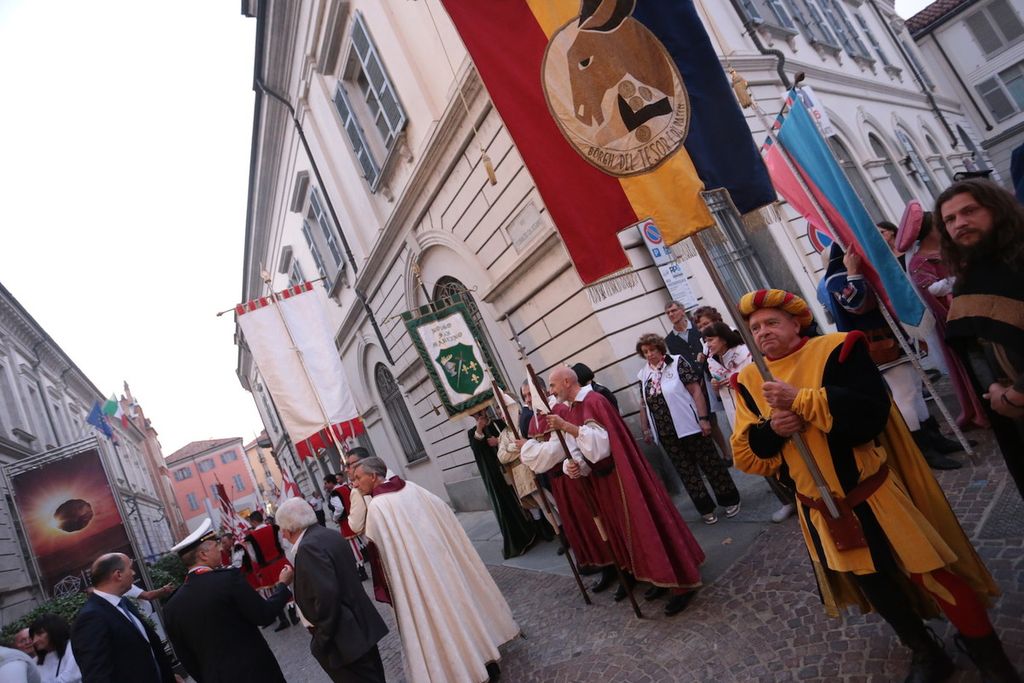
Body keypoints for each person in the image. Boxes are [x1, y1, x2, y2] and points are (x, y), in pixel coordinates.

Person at [731, 288, 1016, 682]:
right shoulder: (748, 380)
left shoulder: (838, 349)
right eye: (755, 327)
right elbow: (747, 453)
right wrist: (773, 430)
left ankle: (991, 658)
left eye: (771, 322)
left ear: (796, 323)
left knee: (932, 571)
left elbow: (871, 416)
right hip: (823, 510)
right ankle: (926, 652)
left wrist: (803, 399)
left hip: (873, 493)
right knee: (875, 585)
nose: (763, 332)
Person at [543, 367, 705, 615]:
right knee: (627, 534)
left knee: (644, 527)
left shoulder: (594, 401)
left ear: (566, 381)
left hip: (621, 475)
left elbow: (602, 446)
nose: (551, 391)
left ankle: (679, 583)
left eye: (553, 385)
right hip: (602, 481)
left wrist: (567, 426)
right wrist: (576, 466)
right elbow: (582, 451)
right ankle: (656, 577)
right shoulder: (574, 408)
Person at [352, 456, 518, 683]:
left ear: (373, 476)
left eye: (358, 478)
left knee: (440, 621)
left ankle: (464, 669)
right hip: (443, 566)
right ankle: (486, 660)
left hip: (419, 578)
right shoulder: (411, 487)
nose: (355, 484)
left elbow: (381, 555)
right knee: (461, 610)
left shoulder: (378, 507)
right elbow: (443, 512)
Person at [821, 243, 964, 470]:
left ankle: (933, 437)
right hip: (879, 344)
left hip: (894, 338)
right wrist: (853, 271)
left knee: (915, 389)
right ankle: (922, 449)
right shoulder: (836, 277)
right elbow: (855, 303)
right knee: (905, 395)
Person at [938, 179, 1024, 502]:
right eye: (950, 219)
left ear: (996, 209)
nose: (959, 223)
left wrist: (1018, 392)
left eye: (969, 211)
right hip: (1011, 411)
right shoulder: (967, 282)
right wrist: (996, 392)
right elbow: (973, 348)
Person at [162, 519, 293, 683]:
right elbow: (264, 615)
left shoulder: (171, 607)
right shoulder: (228, 579)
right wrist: (283, 585)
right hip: (256, 672)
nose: (220, 549)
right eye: (215, 545)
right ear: (203, 555)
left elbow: (186, 658)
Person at [275, 498, 388, 683]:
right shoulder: (328, 534)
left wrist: (321, 639)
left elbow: (327, 596)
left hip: (345, 639)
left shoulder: (308, 548)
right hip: (359, 629)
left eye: (281, 528)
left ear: (289, 528)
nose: (282, 534)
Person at [637, 332, 741, 525]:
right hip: (667, 433)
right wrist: (645, 429)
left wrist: (703, 418)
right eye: (645, 352)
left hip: (690, 425)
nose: (649, 354)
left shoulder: (676, 362)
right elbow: (644, 403)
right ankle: (705, 508)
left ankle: (729, 499)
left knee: (710, 464)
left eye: (652, 350)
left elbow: (695, 390)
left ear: (660, 349)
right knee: (687, 472)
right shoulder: (644, 375)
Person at [703, 322, 796, 523]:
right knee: (758, 455)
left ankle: (798, 493)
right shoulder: (712, 362)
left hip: (759, 409)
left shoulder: (745, 352)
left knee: (779, 452)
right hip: (736, 415)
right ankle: (786, 501)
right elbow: (719, 395)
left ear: (723, 338)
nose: (707, 344)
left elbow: (757, 379)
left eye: (710, 339)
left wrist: (736, 380)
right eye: (706, 341)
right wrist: (716, 387)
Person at [905, 210, 989, 431]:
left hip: (980, 308)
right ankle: (987, 405)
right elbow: (932, 289)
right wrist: (962, 276)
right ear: (929, 231)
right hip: (956, 319)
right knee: (976, 363)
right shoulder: (918, 261)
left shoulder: (950, 248)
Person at [70, 553, 177, 683]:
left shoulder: (124, 603)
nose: (133, 573)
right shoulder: (91, 618)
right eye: (130, 568)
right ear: (118, 574)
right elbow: (97, 676)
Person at [665, 301, 733, 460]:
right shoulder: (669, 340)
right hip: (697, 383)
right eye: (668, 313)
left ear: (682, 310)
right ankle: (726, 453)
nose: (671, 314)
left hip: (717, 373)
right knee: (709, 418)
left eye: (673, 310)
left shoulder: (699, 328)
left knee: (731, 406)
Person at [467, 411, 537, 559]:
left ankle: (538, 529)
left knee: (528, 498)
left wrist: (498, 441)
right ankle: (520, 538)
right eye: (476, 416)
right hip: (496, 475)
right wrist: (479, 429)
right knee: (510, 504)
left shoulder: (498, 423)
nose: (480, 416)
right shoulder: (473, 433)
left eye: (481, 413)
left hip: (513, 467)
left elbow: (510, 439)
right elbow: (476, 450)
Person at [244, 510, 293, 631]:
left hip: (266, 567)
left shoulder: (250, 538)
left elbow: (254, 557)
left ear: (253, 522)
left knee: (273, 593)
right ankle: (294, 616)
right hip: (280, 561)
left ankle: (283, 620)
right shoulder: (274, 528)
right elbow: (282, 544)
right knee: (287, 586)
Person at [29, 614, 80, 683]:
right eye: (33, 636)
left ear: (54, 631)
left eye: (40, 633)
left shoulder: (73, 648)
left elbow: (70, 678)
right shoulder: (34, 662)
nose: (35, 640)